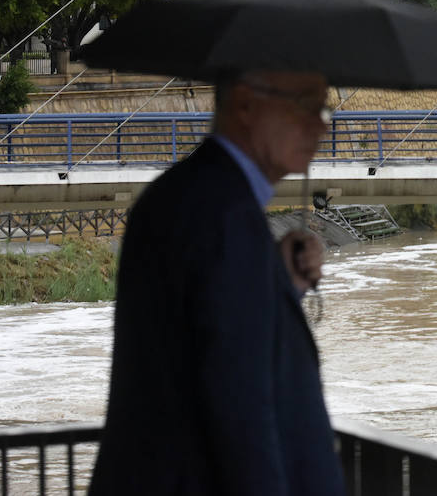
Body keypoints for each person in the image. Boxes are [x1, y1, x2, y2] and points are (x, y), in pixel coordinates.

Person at [90, 69, 346, 496]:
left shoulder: (183, 195)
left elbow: (194, 337)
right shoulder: (227, 218)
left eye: (324, 109)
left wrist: (280, 281)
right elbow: (241, 407)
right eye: (306, 105)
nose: (321, 124)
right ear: (245, 105)